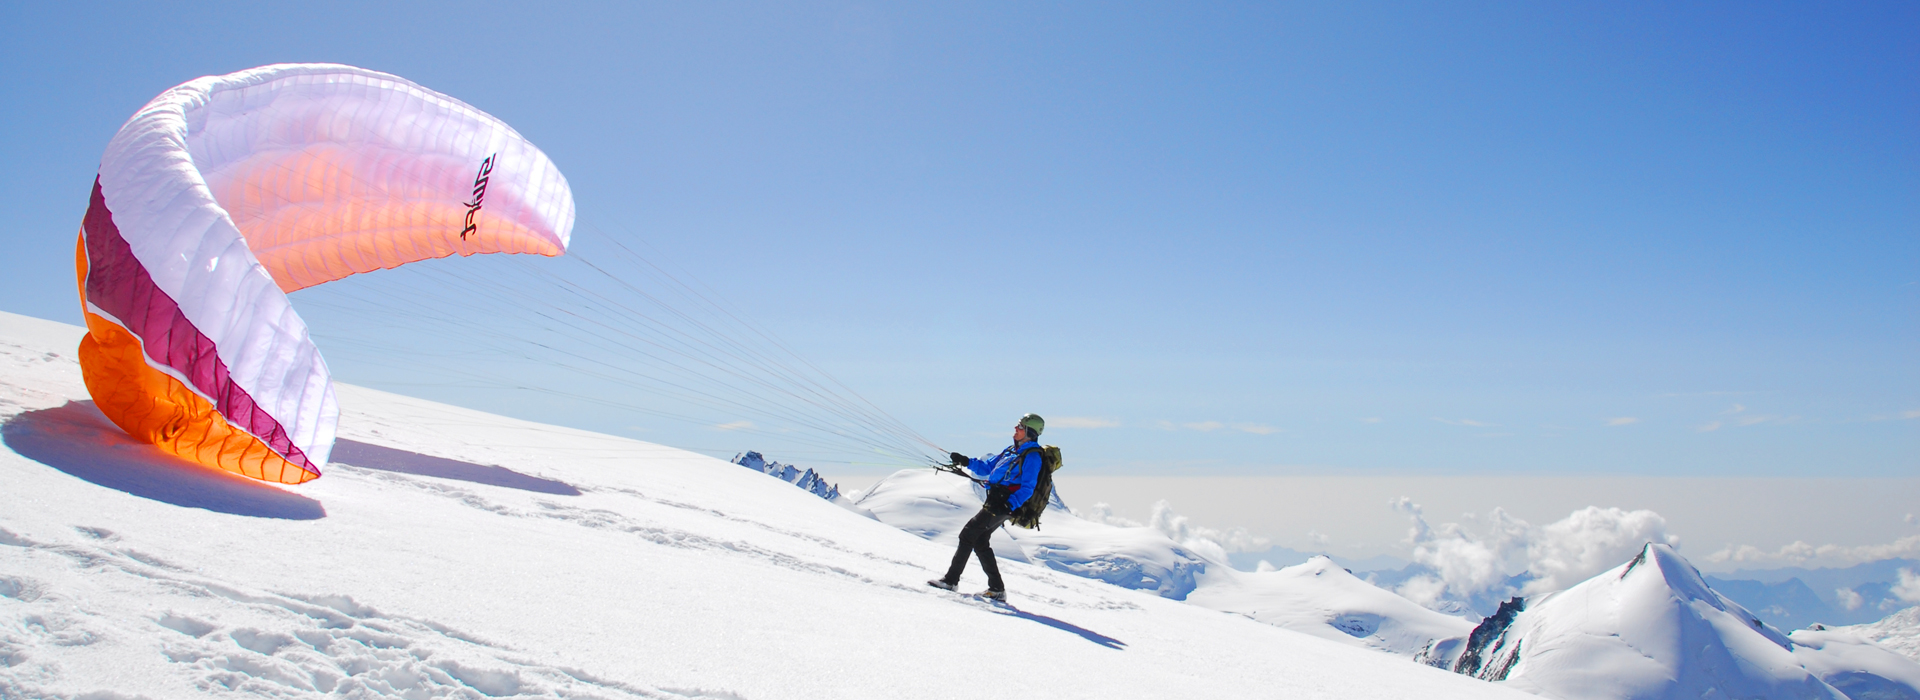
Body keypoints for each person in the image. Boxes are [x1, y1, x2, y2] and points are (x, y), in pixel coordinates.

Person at [928, 413, 1046, 601]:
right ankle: (997, 589)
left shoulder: (1032, 456)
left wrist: (1010, 504)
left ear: (1030, 432)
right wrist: (966, 461)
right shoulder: (1011, 451)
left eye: (1020, 427)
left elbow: (1028, 487)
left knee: (968, 533)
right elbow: (987, 468)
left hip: (1003, 503)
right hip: (996, 500)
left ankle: (950, 581)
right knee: (980, 540)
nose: (1016, 429)